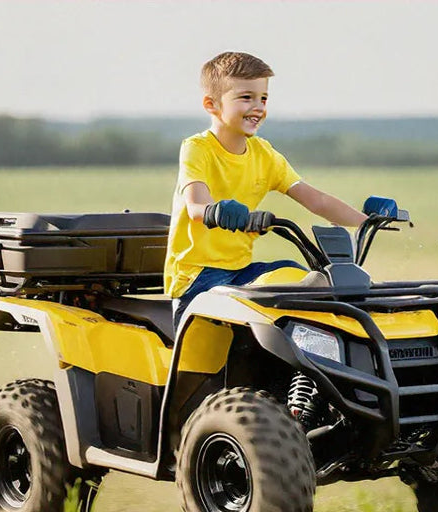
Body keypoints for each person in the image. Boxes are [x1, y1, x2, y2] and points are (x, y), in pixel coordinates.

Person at [165, 51, 396, 329]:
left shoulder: (264, 154)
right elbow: (196, 206)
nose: (258, 107)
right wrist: (219, 211)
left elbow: (318, 201)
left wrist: (368, 221)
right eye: (246, 97)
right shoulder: (197, 148)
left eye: (263, 98)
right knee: (267, 305)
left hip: (241, 272)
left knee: (299, 278)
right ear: (211, 104)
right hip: (197, 278)